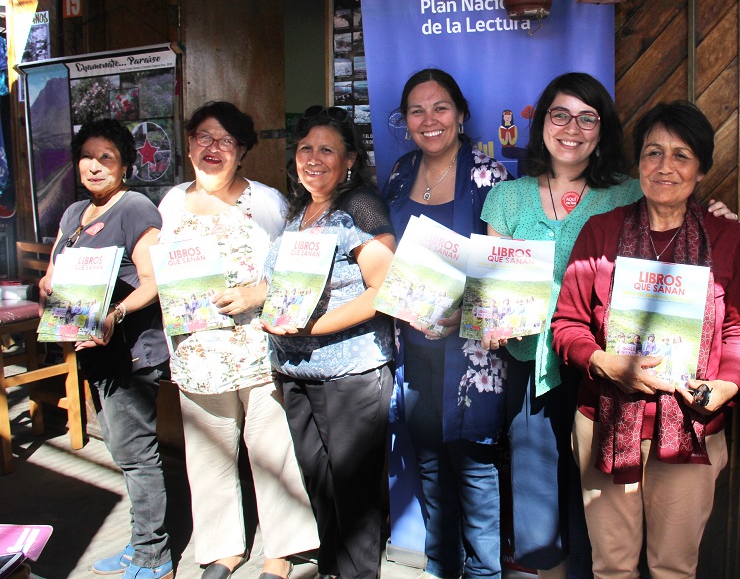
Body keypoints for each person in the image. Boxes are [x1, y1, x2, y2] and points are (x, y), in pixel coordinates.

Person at [552, 100, 740, 576]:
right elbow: (567, 325)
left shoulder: (727, 238)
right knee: (612, 567)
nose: (665, 166)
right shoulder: (601, 232)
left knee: (674, 568)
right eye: (653, 153)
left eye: (681, 155)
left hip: (691, 425)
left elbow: (739, 330)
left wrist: (727, 386)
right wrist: (605, 363)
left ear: (701, 169)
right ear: (638, 163)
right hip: (605, 423)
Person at [479, 72, 642, 578]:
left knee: (599, 496)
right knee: (538, 498)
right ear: (542, 124)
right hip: (532, 365)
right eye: (560, 115)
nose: (572, 129)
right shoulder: (507, 198)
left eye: (587, 118)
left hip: (604, 367)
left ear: (603, 129)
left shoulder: (630, 194)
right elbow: (494, 282)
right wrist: (492, 317)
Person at [158, 101, 317, 579]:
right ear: (189, 145)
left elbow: (295, 271)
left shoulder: (267, 202)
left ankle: (281, 551)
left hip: (256, 349)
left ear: (242, 151)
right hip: (195, 354)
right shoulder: (170, 203)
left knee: (272, 452)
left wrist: (255, 293)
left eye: (226, 140)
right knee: (208, 454)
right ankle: (221, 549)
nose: (214, 147)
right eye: (204, 137)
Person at [382, 69, 510, 579]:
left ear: (460, 114)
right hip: (414, 350)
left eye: (440, 108)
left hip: (471, 355)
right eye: (417, 110)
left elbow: (503, 264)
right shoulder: (400, 172)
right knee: (430, 469)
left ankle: (484, 573)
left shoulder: (489, 176)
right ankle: (440, 568)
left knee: (476, 474)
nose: (429, 119)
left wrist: (466, 313)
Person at [262, 107, 396, 578]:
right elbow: (284, 287)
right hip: (296, 372)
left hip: (351, 374)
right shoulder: (299, 211)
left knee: (355, 498)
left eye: (326, 150)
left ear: (350, 160)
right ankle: (332, 570)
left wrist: (310, 329)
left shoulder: (359, 207)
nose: (313, 159)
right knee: (319, 486)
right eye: (305, 148)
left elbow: (385, 290)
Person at [43, 119, 171, 579]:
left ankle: (155, 555)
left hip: (129, 351)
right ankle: (139, 543)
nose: (94, 167)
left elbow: (153, 282)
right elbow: (56, 272)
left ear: (125, 165)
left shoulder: (134, 208)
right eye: (87, 157)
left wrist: (114, 313)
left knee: (136, 453)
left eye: (106, 158)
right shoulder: (74, 212)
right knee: (121, 449)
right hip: (92, 348)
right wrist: (49, 286)